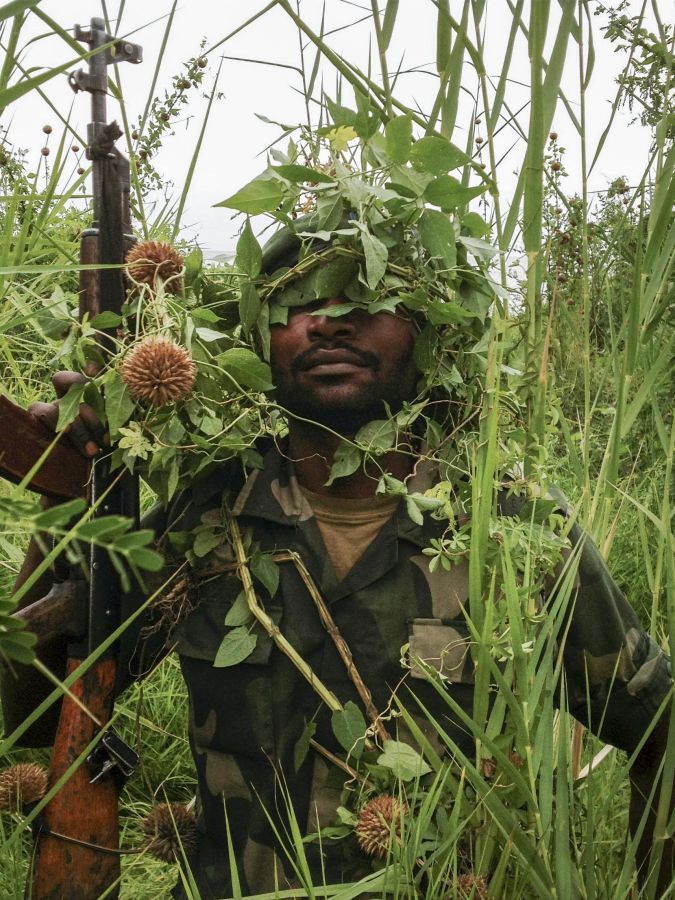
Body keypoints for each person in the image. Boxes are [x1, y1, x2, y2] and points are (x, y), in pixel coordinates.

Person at [3, 221, 673, 897]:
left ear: (430, 330)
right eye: (295, 305)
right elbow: (29, 704)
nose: (326, 325)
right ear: (258, 341)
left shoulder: (513, 529)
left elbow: (658, 730)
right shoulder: (206, 515)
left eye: (365, 296)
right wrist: (71, 487)